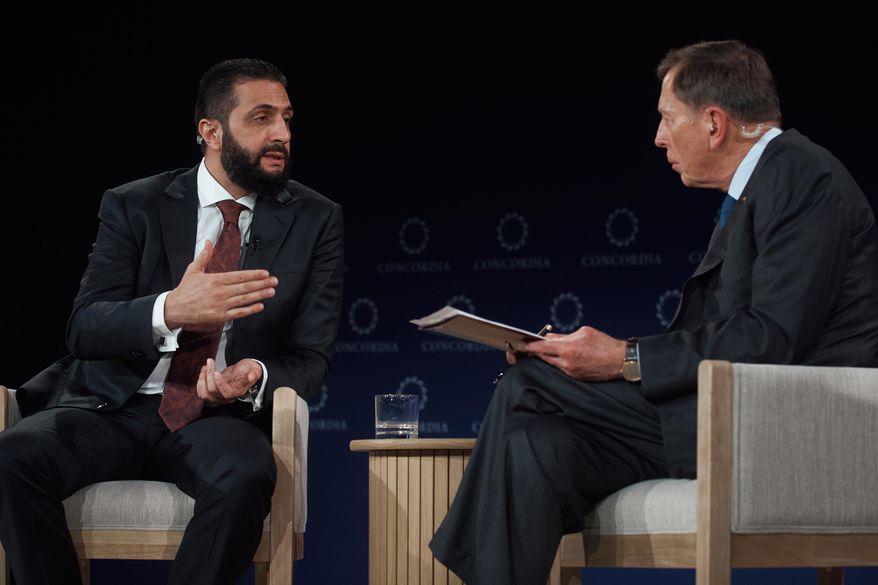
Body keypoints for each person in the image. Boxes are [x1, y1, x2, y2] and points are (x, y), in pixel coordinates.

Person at [429, 39, 878, 584]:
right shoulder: (767, 183)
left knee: (529, 385)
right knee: (535, 446)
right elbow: (730, 332)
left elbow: (770, 339)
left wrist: (625, 358)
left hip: (778, 422)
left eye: (667, 119)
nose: (658, 136)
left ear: (713, 123)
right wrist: (601, 357)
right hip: (723, 409)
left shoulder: (803, 178)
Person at [0, 58, 343, 585]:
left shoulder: (316, 218)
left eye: (287, 118)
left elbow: (310, 358)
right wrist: (171, 310)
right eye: (262, 118)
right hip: (111, 409)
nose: (282, 134)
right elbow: (85, 327)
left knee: (246, 475)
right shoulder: (135, 204)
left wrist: (250, 374)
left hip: (217, 419)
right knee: (13, 456)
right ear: (210, 131)